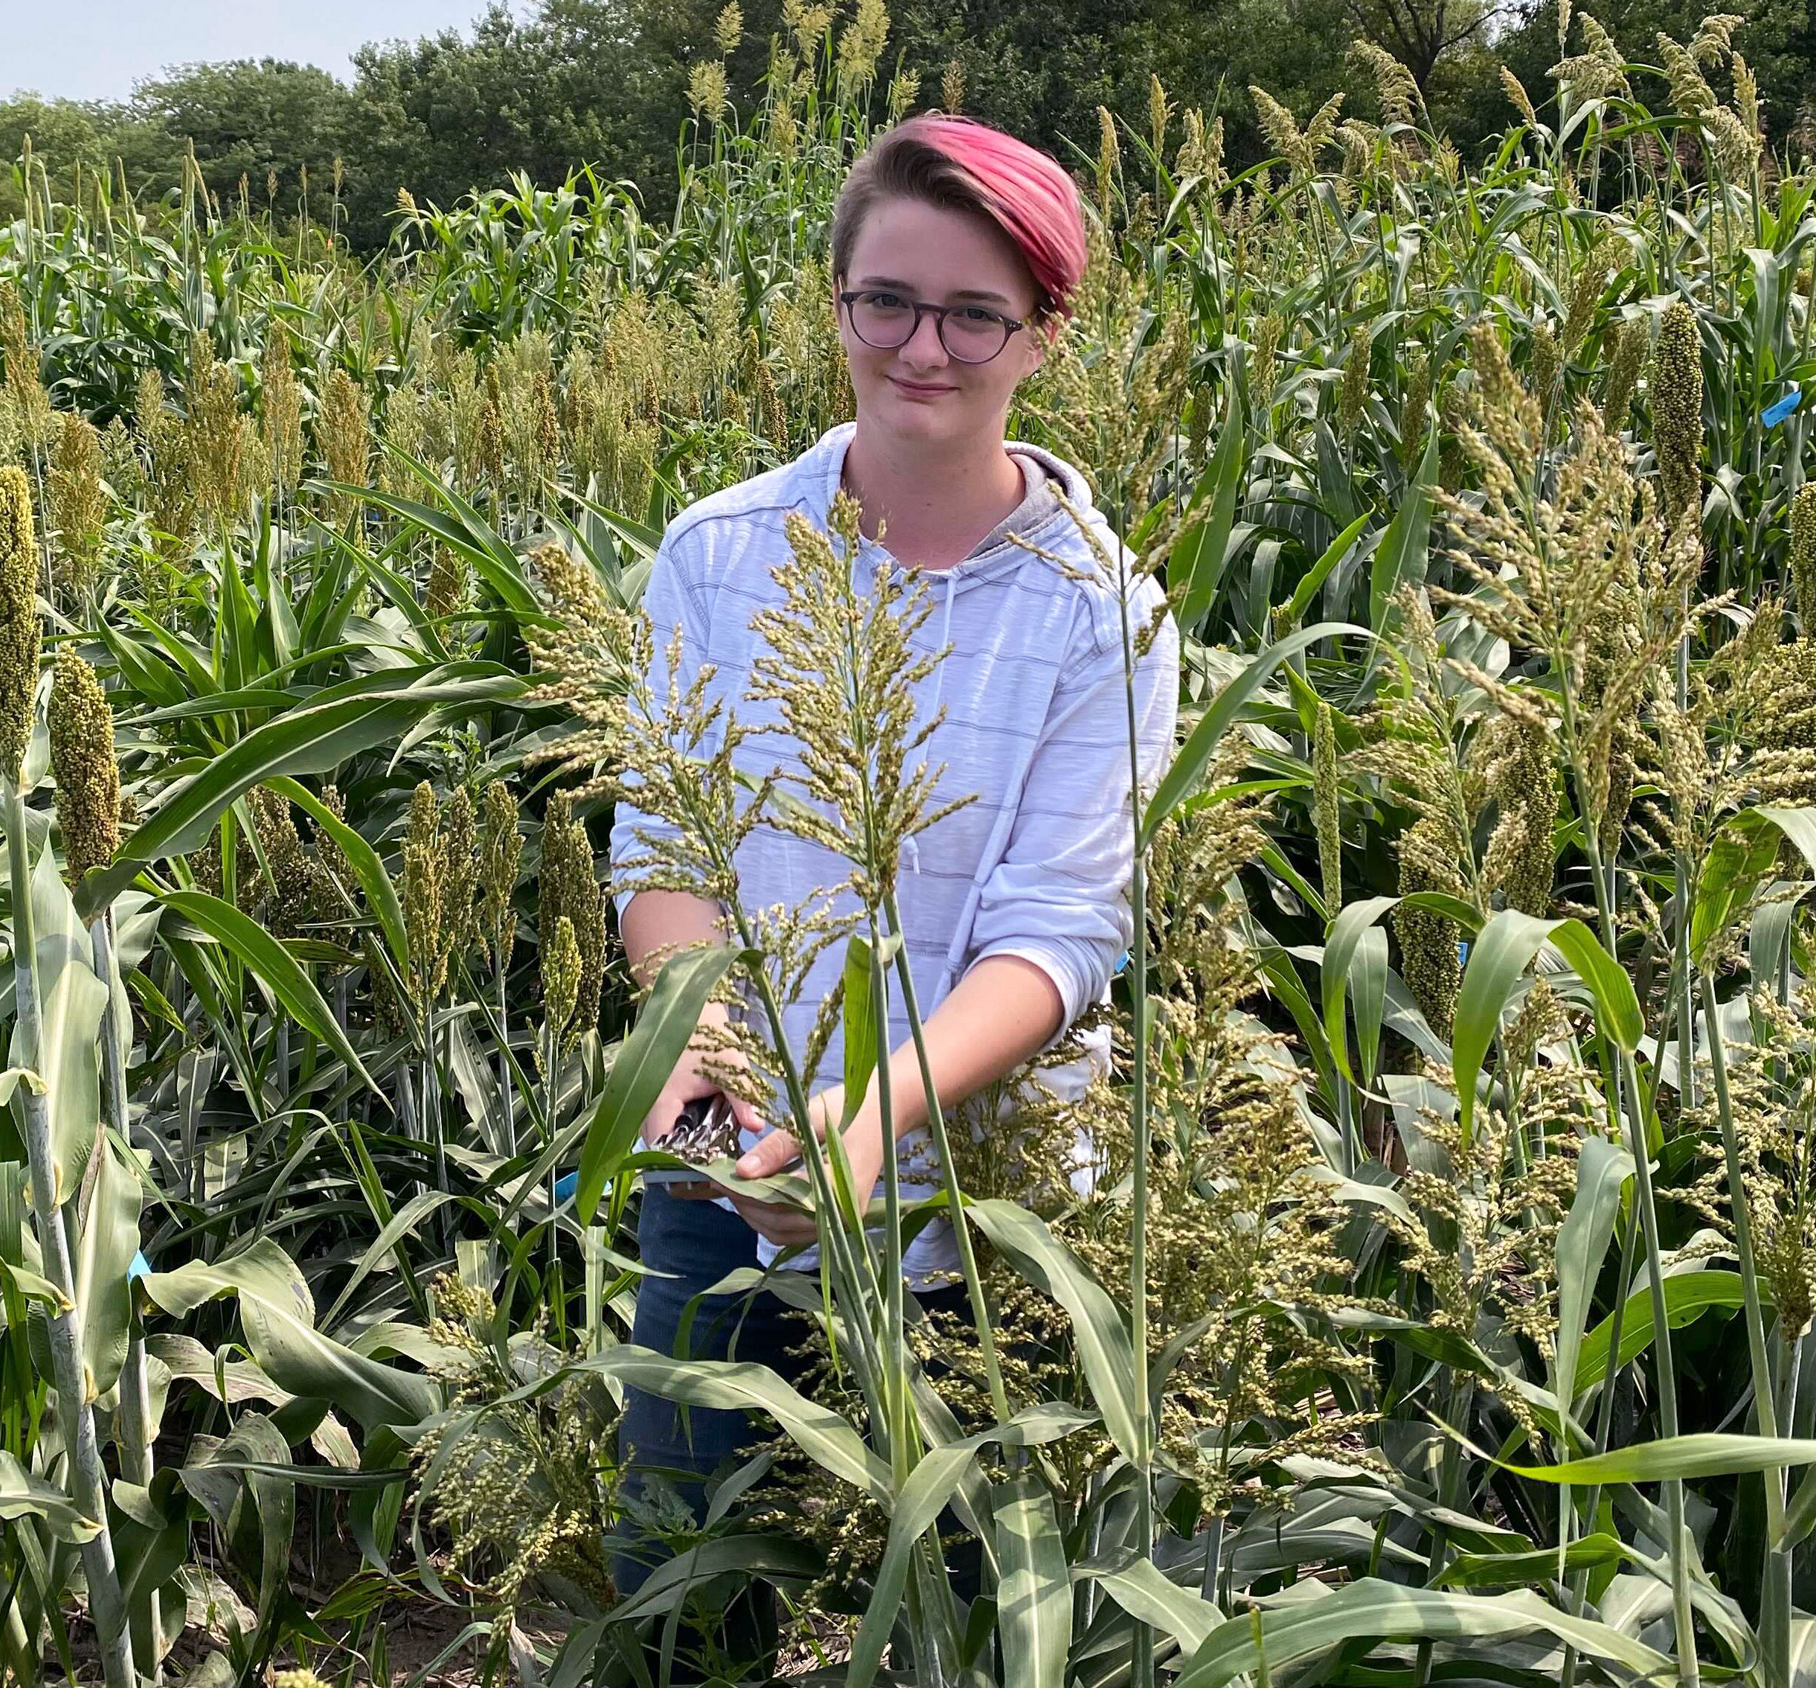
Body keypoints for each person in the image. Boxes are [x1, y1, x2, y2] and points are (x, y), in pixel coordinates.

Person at [602, 112, 1178, 1648]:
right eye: (887, 301)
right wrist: (709, 1064)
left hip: (987, 1211)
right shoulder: (717, 557)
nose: (923, 346)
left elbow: (1059, 936)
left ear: (1043, 333)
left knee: (954, 1621)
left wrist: (868, 1126)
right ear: (837, 301)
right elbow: (664, 854)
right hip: (730, 1176)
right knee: (682, 1598)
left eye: (975, 312)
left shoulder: (1100, 612)